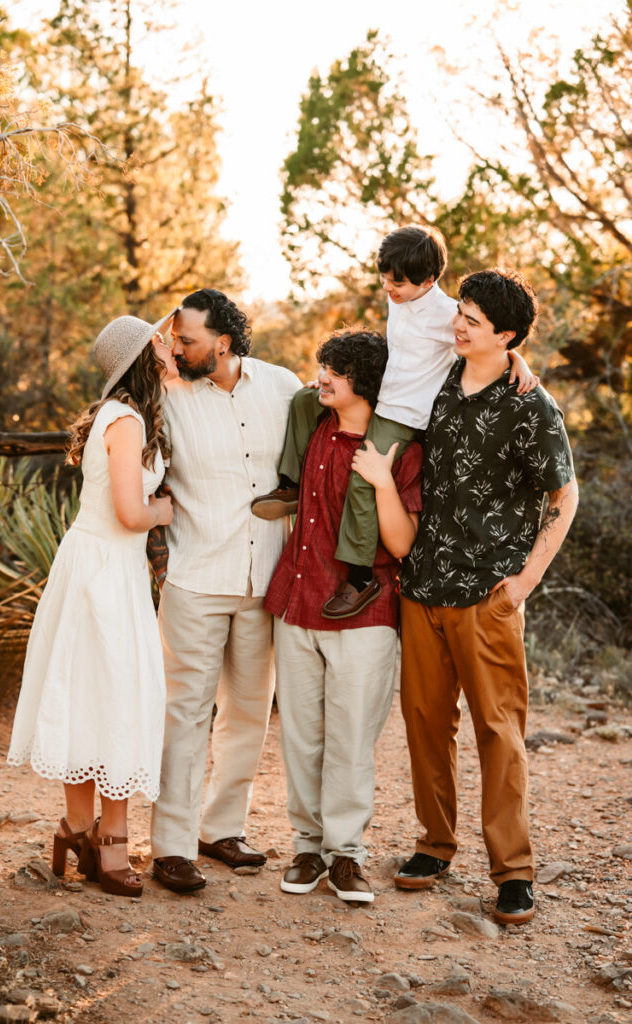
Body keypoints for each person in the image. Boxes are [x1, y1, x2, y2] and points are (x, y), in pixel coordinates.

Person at [396, 268, 578, 925]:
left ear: (504, 334)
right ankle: (433, 847)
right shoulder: (436, 376)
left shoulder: (531, 405)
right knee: (422, 725)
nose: (457, 324)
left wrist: (525, 581)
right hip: (421, 583)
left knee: (497, 733)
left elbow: (564, 493)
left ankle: (513, 873)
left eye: (471, 319)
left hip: (488, 591)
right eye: (461, 313)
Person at [252, 225, 537, 619]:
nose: (388, 287)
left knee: (362, 478)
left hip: (402, 414)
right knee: (305, 399)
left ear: (430, 280)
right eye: (384, 277)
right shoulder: (399, 297)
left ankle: (360, 574)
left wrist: (517, 360)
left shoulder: (445, 315)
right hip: (382, 393)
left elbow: (486, 341)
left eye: (397, 282)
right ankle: (290, 485)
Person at [7, 313, 178, 898]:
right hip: (104, 571)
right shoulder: (127, 420)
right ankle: (108, 842)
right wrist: (163, 512)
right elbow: (132, 513)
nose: (170, 344)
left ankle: (79, 829)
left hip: (104, 567)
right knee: (112, 697)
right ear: (143, 357)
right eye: (161, 340)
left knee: (94, 695)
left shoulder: (125, 416)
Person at [149, 288, 302, 894]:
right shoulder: (165, 393)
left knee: (246, 711)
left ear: (224, 342)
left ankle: (221, 829)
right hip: (196, 575)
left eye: (186, 338)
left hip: (265, 578)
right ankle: (171, 846)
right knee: (185, 712)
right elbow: (115, 393)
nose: (176, 346)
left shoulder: (283, 385)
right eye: (173, 336)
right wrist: (158, 347)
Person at [265, 329, 422, 903]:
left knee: (351, 740)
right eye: (322, 365)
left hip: (366, 611)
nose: (322, 376)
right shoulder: (313, 427)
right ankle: (308, 847)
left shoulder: (400, 446)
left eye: (335, 369)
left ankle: (347, 854)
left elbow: (402, 545)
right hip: (299, 601)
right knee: (302, 738)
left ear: (367, 380)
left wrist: (380, 480)